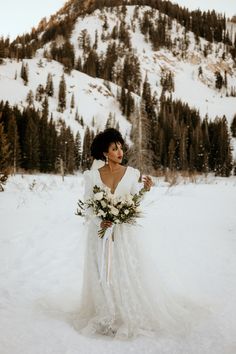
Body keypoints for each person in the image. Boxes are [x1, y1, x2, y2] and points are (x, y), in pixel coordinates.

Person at [71, 128, 209, 340]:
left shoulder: (132, 174)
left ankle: (125, 310)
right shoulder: (92, 176)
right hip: (101, 234)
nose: (120, 151)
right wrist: (102, 221)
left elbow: (133, 203)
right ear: (104, 152)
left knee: (123, 271)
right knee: (102, 273)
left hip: (124, 235)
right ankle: (106, 311)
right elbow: (89, 207)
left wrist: (144, 190)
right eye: (114, 148)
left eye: (121, 147)